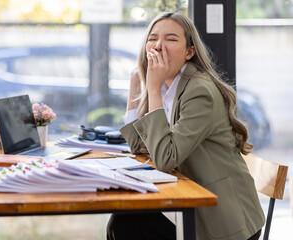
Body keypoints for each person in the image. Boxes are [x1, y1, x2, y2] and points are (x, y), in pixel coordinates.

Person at [106, 12, 265, 240]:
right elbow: (139, 146)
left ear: (190, 52)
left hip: (225, 221)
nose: (159, 46)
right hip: (193, 202)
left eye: (171, 39)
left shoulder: (199, 91)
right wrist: (136, 83)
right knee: (123, 220)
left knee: (127, 225)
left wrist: (151, 88)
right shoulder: (167, 86)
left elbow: (165, 158)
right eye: (153, 38)